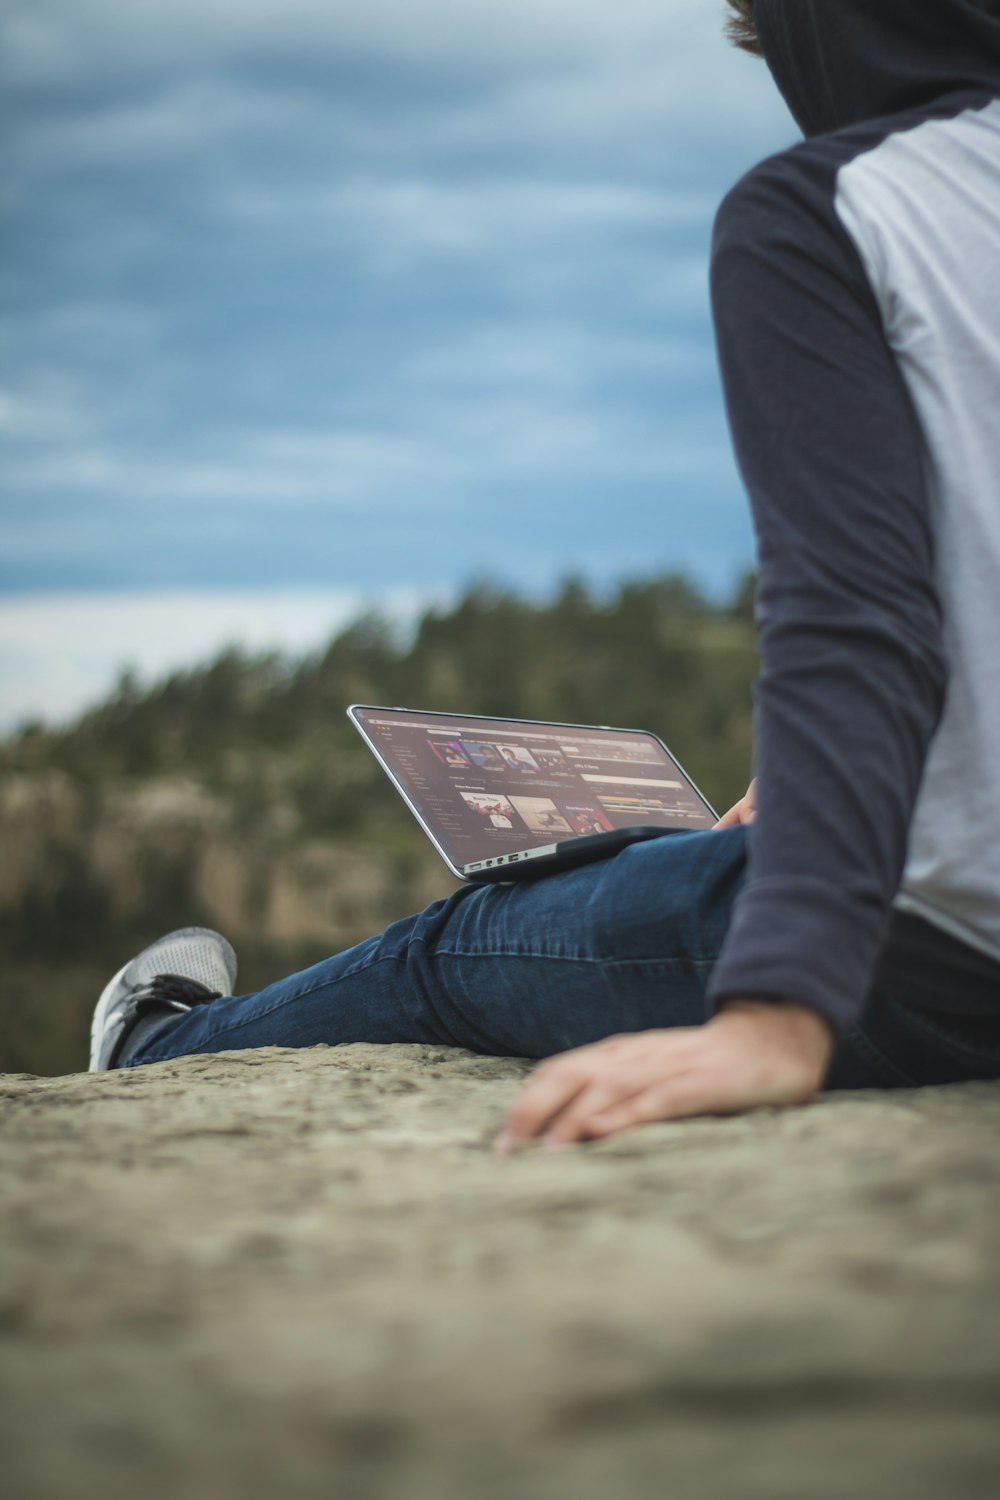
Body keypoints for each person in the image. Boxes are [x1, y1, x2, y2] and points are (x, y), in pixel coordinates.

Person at [89, 0, 1000, 1149]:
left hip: (937, 966)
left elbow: (857, 614)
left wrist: (780, 1009)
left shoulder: (829, 209)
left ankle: (153, 1049)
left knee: (464, 938)